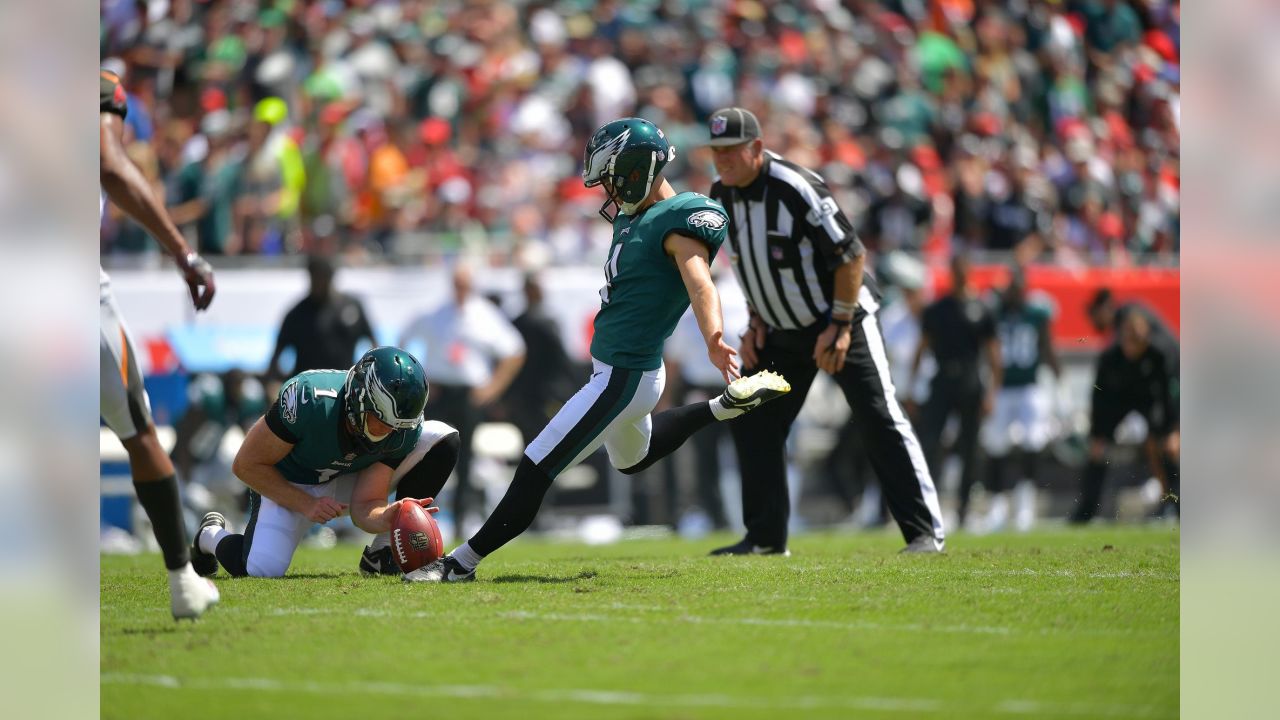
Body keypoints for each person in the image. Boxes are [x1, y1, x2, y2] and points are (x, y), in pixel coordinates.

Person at [404, 117, 791, 583]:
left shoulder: (680, 219)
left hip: (624, 377)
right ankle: (721, 409)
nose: (607, 187)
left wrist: (713, 337)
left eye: (612, 175)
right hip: (626, 374)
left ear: (636, 169)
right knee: (633, 459)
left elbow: (700, 283)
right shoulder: (637, 215)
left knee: (538, 463)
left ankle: (460, 564)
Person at [705, 107, 944, 555]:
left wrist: (838, 324)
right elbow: (751, 264)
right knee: (753, 416)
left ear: (756, 148)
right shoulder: (723, 193)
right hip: (780, 328)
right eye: (716, 151)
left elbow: (850, 255)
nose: (722, 161)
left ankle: (924, 532)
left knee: (877, 415)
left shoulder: (795, 187)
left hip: (840, 316)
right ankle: (765, 539)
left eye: (731, 151)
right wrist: (756, 321)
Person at [100, 67, 220, 619]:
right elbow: (109, 164)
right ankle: (181, 577)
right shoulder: (95, 86)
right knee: (138, 430)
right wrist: (183, 252)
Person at [189, 347, 460, 578]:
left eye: (397, 427)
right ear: (359, 399)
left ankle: (383, 552)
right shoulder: (310, 399)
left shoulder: (400, 429)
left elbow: (365, 505)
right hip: (289, 482)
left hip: (347, 478)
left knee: (442, 438)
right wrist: (305, 503)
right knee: (262, 567)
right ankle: (209, 535)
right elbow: (245, 464)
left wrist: (388, 517)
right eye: (381, 422)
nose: (389, 433)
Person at [398, 263, 527, 534]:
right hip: (440, 393)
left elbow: (514, 351)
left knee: (466, 459)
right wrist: (419, 379)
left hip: (470, 395)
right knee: (428, 455)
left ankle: (460, 521)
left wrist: (493, 388)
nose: (461, 289)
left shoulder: (484, 314)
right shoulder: (436, 314)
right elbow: (404, 340)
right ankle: (421, 520)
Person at [911, 254, 1002, 530]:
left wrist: (992, 392)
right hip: (942, 379)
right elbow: (922, 348)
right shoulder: (937, 309)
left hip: (971, 379)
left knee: (970, 447)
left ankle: (964, 509)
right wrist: (914, 387)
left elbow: (994, 354)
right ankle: (930, 505)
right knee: (930, 442)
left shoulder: (982, 309)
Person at [1071, 308, 1180, 523]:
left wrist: (1174, 430)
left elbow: (1170, 395)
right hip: (1118, 403)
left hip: (1149, 402)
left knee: (1164, 446)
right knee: (1097, 451)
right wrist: (1097, 434)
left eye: (1137, 340)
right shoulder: (1109, 359)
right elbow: (1099, 397)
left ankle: (1175, 505)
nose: (1132, 346)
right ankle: (1086, 512)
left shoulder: (1160, 356)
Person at [979, 270, 1061, 532]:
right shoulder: (994, 313)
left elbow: (1046, 346)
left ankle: (1025, 505)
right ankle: (997, 506)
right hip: (1002, 387)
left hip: (1028, 386)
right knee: (995, 444)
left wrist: (1059, 377)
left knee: (1032, 440)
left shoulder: (1036, 314)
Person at [267, 254, 377, 381]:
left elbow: (373, 346)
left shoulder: (352, 307)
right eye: (316, 277)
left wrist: (367, 378)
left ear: (331, 277)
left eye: (323, 276)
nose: (319, 282)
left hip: (345, 386)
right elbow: (277, 357)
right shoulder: (296, 314)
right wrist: (281, 384)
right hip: (308, 391)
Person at [505, 273, 577, 446]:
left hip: (533, 394)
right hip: (539, 395)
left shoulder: (521, 321)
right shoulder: (539, 322)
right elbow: (561, 359)